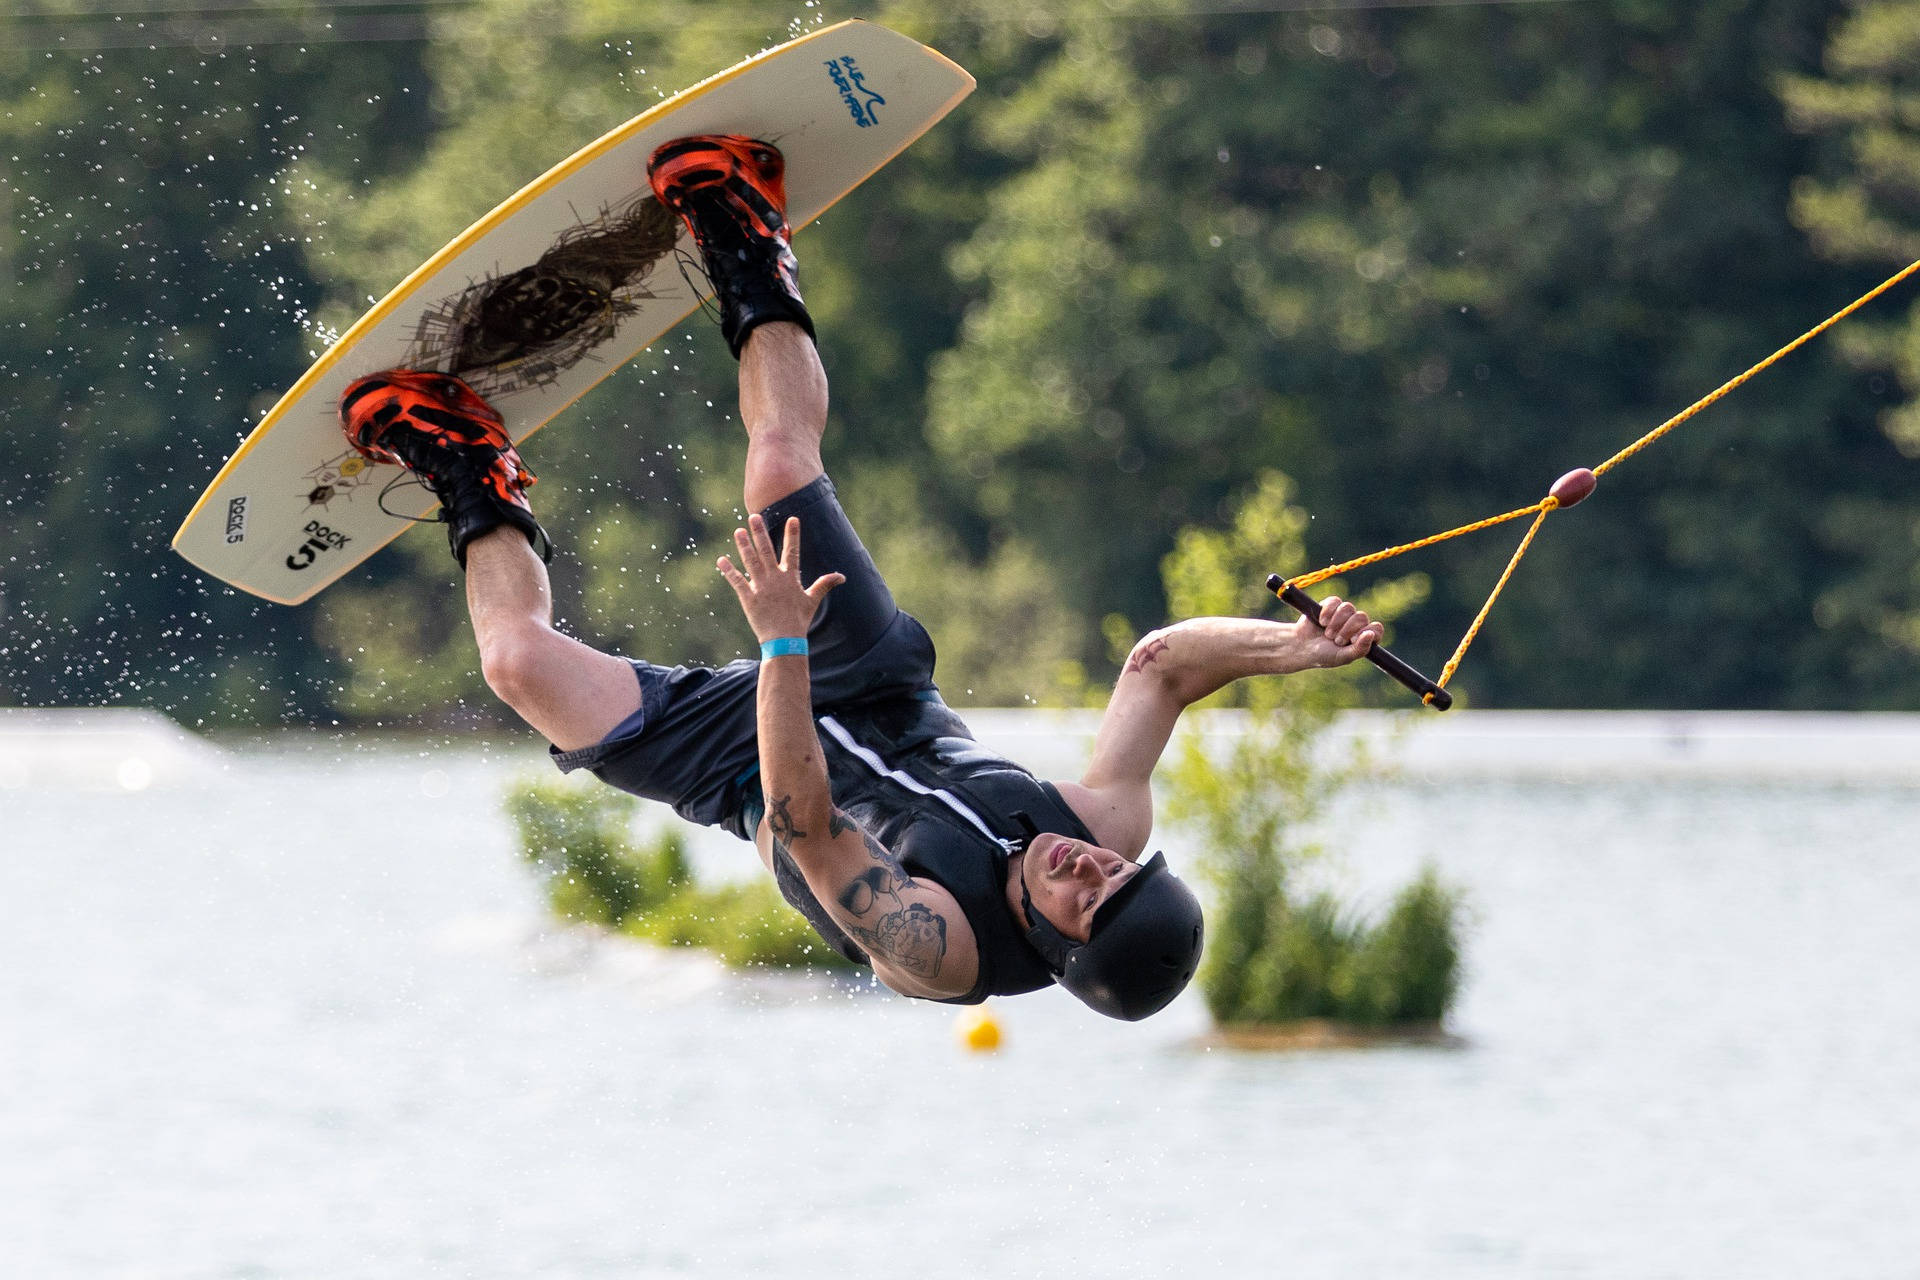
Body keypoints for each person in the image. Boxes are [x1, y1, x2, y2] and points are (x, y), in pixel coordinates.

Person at [337, 135, 1384, 1020]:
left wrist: (783, 645)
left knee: (519, 664)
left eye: (1089, 899)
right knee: (781, 469)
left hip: (756, 772)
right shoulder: (1105, 829)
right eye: (1114, 872)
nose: (1088, 868)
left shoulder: (941, 950)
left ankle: (471, 464)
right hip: (877, 684)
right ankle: (745, 235)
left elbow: (808, 818)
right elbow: (1159, 669)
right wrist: (1293, 647)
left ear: (1060, 953)